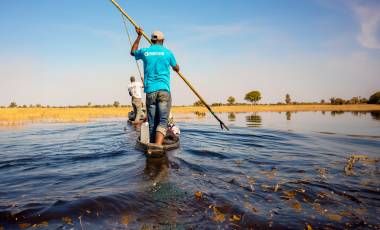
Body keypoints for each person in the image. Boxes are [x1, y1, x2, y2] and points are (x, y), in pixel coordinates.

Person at [131, 28, 179, 145]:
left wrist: (139, 36)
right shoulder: (168, 53)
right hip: (163, 90)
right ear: (163, 40)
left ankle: (152, 146)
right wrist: (175, 67)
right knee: (162, 121)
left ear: (152, 40)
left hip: (150, 92)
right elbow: (176, 68)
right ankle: (158, 146)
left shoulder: (145, 51)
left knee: (152, 122)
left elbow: (133, 52)